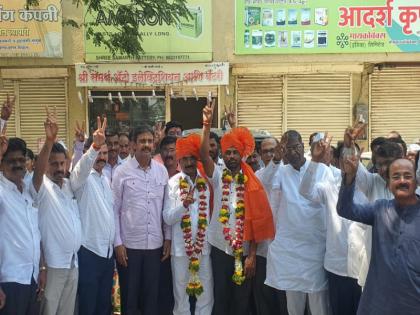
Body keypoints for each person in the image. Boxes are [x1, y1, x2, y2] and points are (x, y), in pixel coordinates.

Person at [200, 100, 275, 315]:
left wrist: (252, 254)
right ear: (223, 155)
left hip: (242, 252)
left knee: (241, 302)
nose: (231, 156)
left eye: (235, 152)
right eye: (227, 152)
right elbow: (204, 155)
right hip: (220, 248)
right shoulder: (217, 177)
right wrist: (206, 125)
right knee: (221, 299)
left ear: (241, 154)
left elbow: (256, 220)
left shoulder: (252, 181)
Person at [36, 116, 106, 315]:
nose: (59, 168)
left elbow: (82, 169)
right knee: (49, 310)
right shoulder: (40, 188)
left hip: (72, 263)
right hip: (53, 265)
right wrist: (49, 142)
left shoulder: (69, 186)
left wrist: (94, 147)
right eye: (53, 164)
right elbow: (39, 171)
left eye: (62, 163)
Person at [338, 156, 420, 314]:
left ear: (416, 182)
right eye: (396, 177)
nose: (402, 180)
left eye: (407, 176)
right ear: (388, 185)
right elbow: (345, 209)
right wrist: (350, 177)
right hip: (376, 303)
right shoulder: (380, 209)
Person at [300, 135, 367, 315]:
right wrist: (314, 160)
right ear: (338, 161)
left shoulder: (369, 186)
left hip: (363, 267)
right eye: (346, 158)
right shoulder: (329, 185)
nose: (351, 162)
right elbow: (305, 191)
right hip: (337, 266)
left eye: (354, 157)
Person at [0, 107, 57, 315]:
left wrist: (49, 142)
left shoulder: (27, 191)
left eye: (21, 160)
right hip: (8, 281)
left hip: (31, 277)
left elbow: (35, 234)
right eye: (10, 161)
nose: (17, 165)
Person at [266, 130, 330, 315]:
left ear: (303, 146)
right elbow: (267, 187)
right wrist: (276, 160)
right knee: (294, 305)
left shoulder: (321, 169)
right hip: (290, 248)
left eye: (295, 147)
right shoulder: (280, 171)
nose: (292, 152)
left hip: (315, 245)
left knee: (318, 304)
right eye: (286, 149)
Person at [113, 125, 171, 315]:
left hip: (155, 246)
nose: (146, 145)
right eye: (142, 141)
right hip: (129, 248)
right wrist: (118, 243)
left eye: (149, 141)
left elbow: (165, 207)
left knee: (151, 299)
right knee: (130, 299)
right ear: (132, 145)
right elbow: (115, 209)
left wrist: (168, 238)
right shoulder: (121, 172)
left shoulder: (161, 171)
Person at [163, 134, 214, 315]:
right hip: (180, 251)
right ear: (179, 160)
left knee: (206, 296)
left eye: (192, 157)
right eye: (184, 158)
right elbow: (167, 218)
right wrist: (183, 206)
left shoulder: (207, 182)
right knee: (181, 297)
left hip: (203, 249)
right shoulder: (172, 184)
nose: (189, 162)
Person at [72, 118, 115, 315]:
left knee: (103, 307)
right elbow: (80, 168)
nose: (102, 157)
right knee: (88, 307)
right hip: (89, 251)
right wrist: (93, 147)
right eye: (98, 153)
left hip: (107, 255)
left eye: (105, 153)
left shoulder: (105, 179)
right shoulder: (82, 178)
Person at [253, 139, 288, 315]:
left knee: (284, 298)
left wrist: (277, 162)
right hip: (264, 247)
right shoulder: (258, 175)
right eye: (266, 151)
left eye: (273, 151)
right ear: (260, 154)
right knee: (264, 297)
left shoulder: (288, 172)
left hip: (284, 247)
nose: (270, 155)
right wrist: (275, 162)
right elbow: (267, 178)